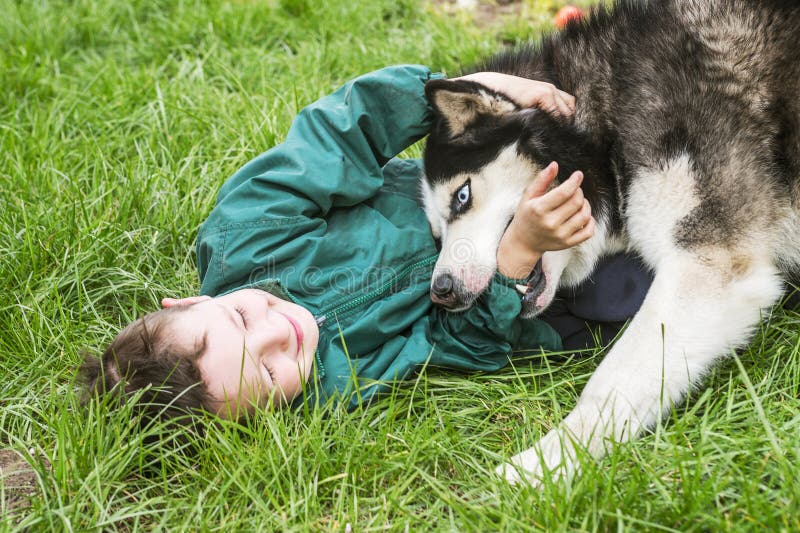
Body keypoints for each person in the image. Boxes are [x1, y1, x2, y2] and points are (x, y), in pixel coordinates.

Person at [82, 65, 652, 423]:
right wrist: (518, 254)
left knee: (583, 113)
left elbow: (337, 133)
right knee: (623, 296)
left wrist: (476, 93)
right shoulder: (337, 384)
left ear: (185, 302)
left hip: (464, 195)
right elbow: (455, 345)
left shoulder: (246, 236)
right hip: (509, 292)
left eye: (241, 317)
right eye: (272, 373)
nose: (282, 333)